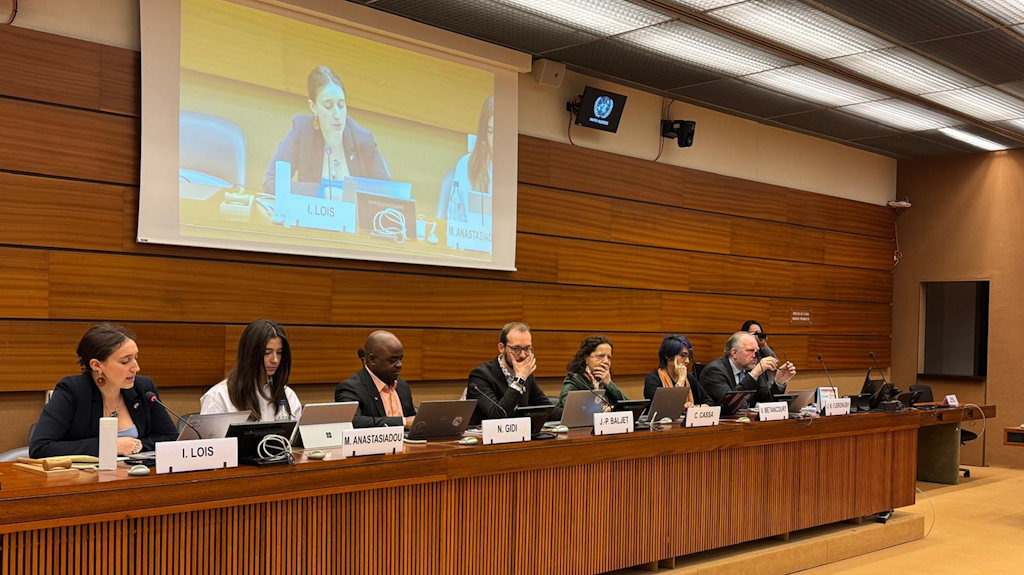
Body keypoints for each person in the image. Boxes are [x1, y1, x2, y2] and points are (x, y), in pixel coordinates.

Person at [30, 324, 178, 458]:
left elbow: (170, 437)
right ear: (97, 365)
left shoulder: (143, 388)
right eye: (125, 361)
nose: (136, 368)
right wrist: (109, 446)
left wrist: (135, 447)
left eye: (136, 358)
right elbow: (41, 448)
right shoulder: (72, 390)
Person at [263, 65, 389, 198]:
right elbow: (271, 182)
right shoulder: (302, 131)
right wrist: (323, 193)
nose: (337, 115)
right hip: (312, 212)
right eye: (328, 106)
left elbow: (387, 195)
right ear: (313, 107)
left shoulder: (363, 139)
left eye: (341, 105)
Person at [200, 319, 301, 421]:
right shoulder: (218, 398)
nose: (275, 360)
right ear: (250, 354)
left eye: (279, 352)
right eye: (267, 353)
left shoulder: (288, 395)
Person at [466, 322, 562, 425]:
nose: (523, 355)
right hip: (487, 434)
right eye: (516, 349)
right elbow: (498, 414)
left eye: (527, 348)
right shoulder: (480, 376)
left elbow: (547, 409)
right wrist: (519, 380)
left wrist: (573, 413)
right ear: (501, 348)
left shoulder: (526, 375)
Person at [335, 330, 416, 428]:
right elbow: (352, 421)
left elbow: (412, 419)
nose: (399, 365)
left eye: (400, 359)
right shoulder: (350, 389)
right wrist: (403, 422)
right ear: (372, 360)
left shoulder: (402, 386)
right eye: (393, 360)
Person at [699, 331, 796, 407]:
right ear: (734, 353)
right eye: (750, 350)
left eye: (756, 351)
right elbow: (730, 403)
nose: (755, 355)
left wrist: (779, 382)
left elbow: (766, 402)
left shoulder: (750, 367)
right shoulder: (714, 371)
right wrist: (753, 375)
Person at [438, 95, 493, 221]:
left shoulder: (512, 171)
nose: (495, 140)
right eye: (490, 131)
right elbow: (455, 217)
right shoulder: (466, 164)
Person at [560, 335, 628, 408]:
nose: (606, 361)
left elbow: (630, 406)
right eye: (600, 356)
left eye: (609, 357)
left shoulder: (606, 382)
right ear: (586, 358)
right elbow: (570, 407)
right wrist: (601, 413)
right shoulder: (575, 380)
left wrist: (609, 384)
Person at [643, 334, 704, 406]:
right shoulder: (653, 380)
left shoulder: (689, 378)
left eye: (688, 357)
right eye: (683, 355)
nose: (687, 361)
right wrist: (681, 381)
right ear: (668, 356)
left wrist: (697, 407)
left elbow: (708, 401)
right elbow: (668, 405)